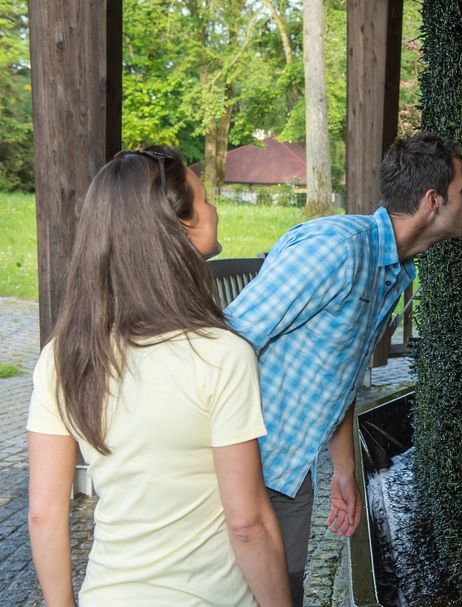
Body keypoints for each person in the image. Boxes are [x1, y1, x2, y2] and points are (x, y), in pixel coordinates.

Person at [27, 147, 291, 607]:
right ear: (180, 224)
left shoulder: (64, 356)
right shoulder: (221, 355)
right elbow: (247, 524)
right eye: (205, 199)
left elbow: (44, 514)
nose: (214, 209)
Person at [225, 132, 462, 605]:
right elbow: (228, 341)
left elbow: (340, 372)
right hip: (239, 471)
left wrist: (344, 468)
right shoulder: (340, 249)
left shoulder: (393, 269)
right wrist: (221, 474)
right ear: (432, 200)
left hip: (287, 470)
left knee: (288, 591)